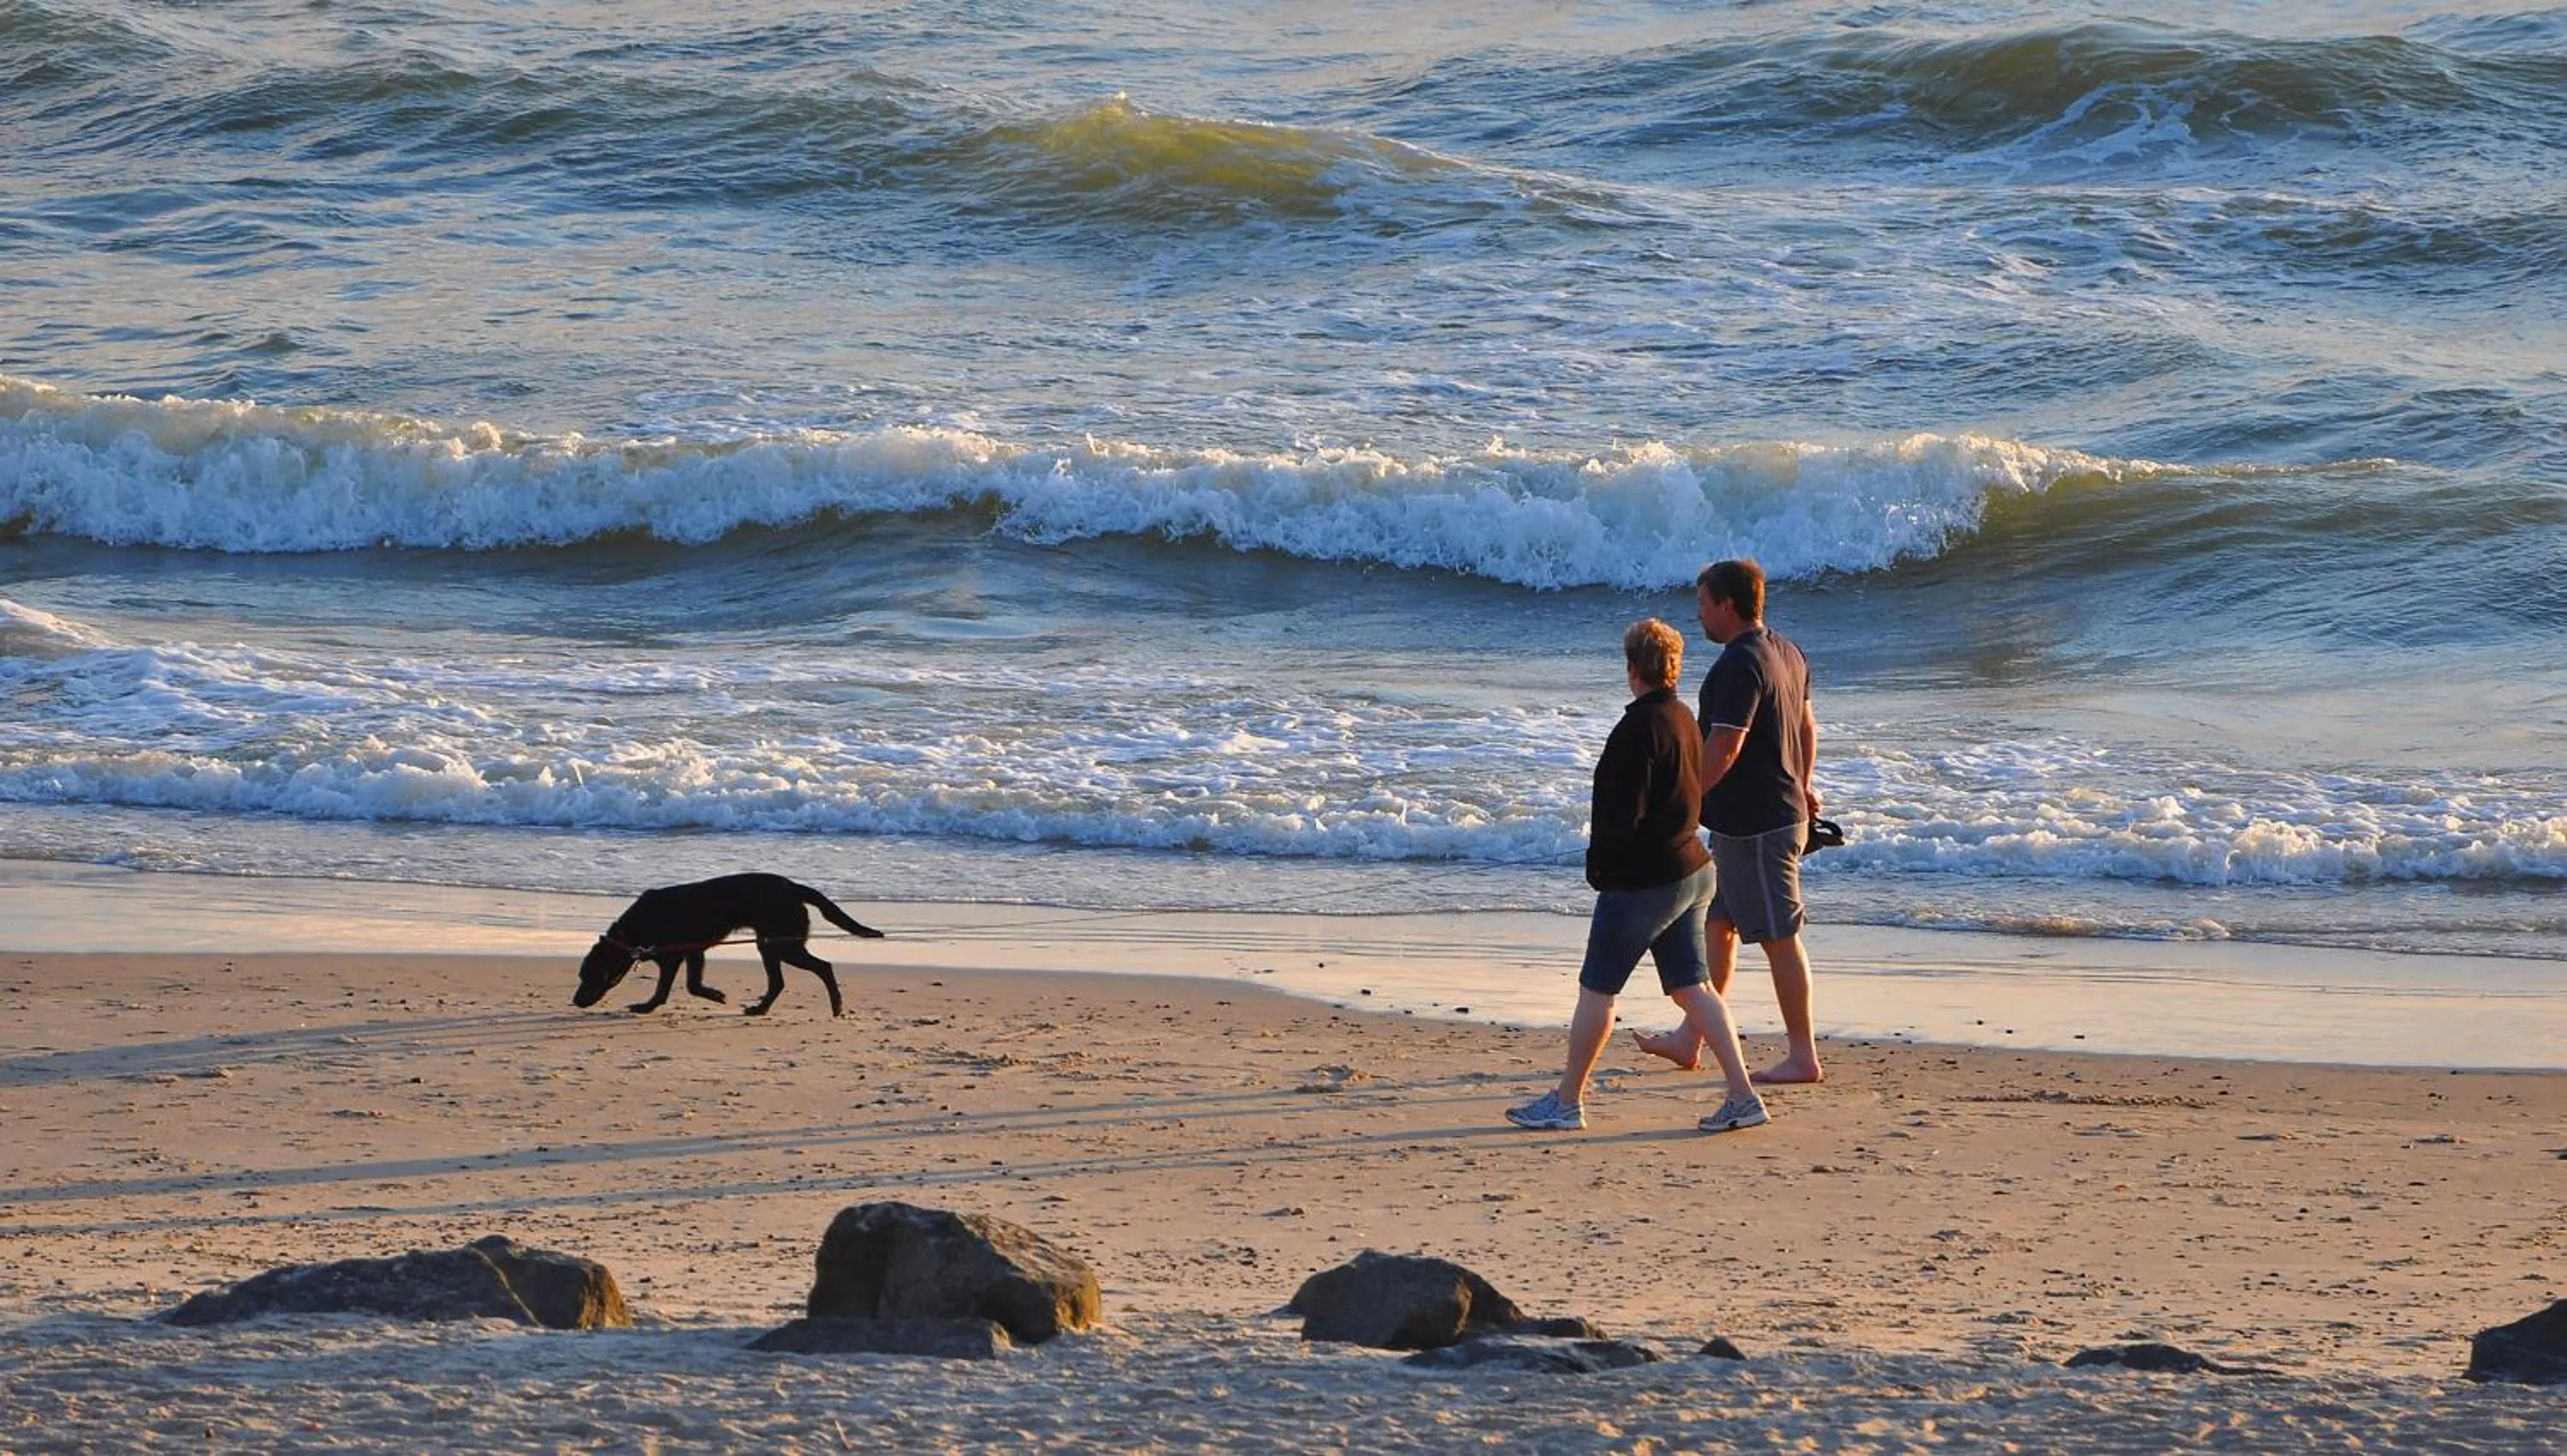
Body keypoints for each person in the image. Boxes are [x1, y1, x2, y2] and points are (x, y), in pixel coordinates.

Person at [1507, 619, 1769, 1134]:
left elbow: (1621, 816)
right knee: (1695, 988)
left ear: (1632, 668)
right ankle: (1742, 1096)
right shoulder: (1684, 717)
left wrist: (1601, 868)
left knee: (1598, 989)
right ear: (1673, 667)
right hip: (1694, 869)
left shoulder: (1635, 731)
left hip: (1646, 881)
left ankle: (1566, 1102)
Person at [1633, 558, 1826, 1085]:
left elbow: (1726, 743)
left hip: (1758, 823)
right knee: (1717, 925)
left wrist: (1686, 800)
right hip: (1758, 817)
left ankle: (1803, 1055)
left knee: (1779, 936)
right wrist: (1805, 783)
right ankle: (1690, 1037)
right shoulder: (1788, 651)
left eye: (1703, 603)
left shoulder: (1740, 663)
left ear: (1727, 605)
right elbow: (1807, 728)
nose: (1698, 613)